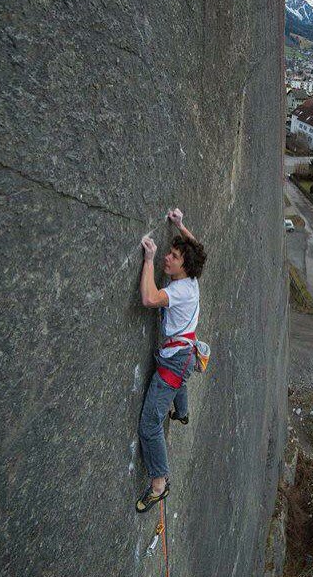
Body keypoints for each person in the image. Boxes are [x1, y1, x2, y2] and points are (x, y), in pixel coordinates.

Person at [135, 208, 206, 513]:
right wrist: (180, 225)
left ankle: (159, 484)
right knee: (180, 379)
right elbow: (198, 249)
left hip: (176, 362)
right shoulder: (192, 279)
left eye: (173, 256)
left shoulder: (178, 291)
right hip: (184, 354)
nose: (167, 256)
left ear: (183, 266)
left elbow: (149, 299)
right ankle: (184, 412)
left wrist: (148, 259)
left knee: (150, 424)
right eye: (167, 253)